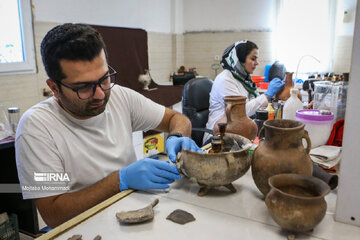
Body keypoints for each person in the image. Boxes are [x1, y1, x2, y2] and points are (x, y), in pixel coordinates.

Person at [15, 23, 201, 228]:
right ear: (54, 88)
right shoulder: (35, 128)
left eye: (104, 79)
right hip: (82, 228)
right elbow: (53, 214)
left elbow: (177, 119)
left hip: (132, 216)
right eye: (83, 87)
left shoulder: (121, 97)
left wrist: (177, 136)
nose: (100, 94)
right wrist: (119, 181)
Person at [204, 41, 285, 143]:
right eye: (253, 58)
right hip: (217, 137)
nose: (257, 63)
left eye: (256, 59)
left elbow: (251, 105)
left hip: (238, 131)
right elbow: (239, 113)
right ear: (240, 60)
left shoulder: (244, 79)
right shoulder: (225, 79)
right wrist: (267, 95)